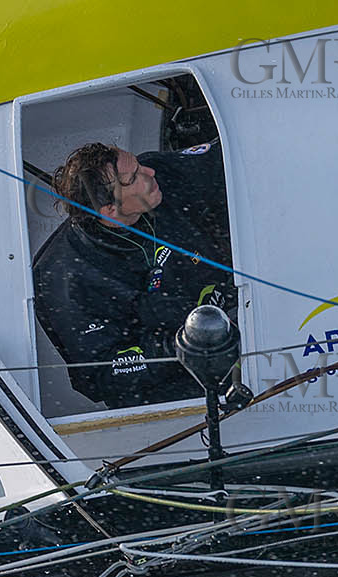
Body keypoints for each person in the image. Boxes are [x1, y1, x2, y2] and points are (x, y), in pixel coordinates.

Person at [33, 140, 233, 408]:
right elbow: (100, 375)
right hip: (177, 394)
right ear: (110, 211)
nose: (150, 172)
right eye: (135, 176)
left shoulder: (161, 175)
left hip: (241, 315)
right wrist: (181, 347)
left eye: (139, 164)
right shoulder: (63, 278)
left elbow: (231, 154)